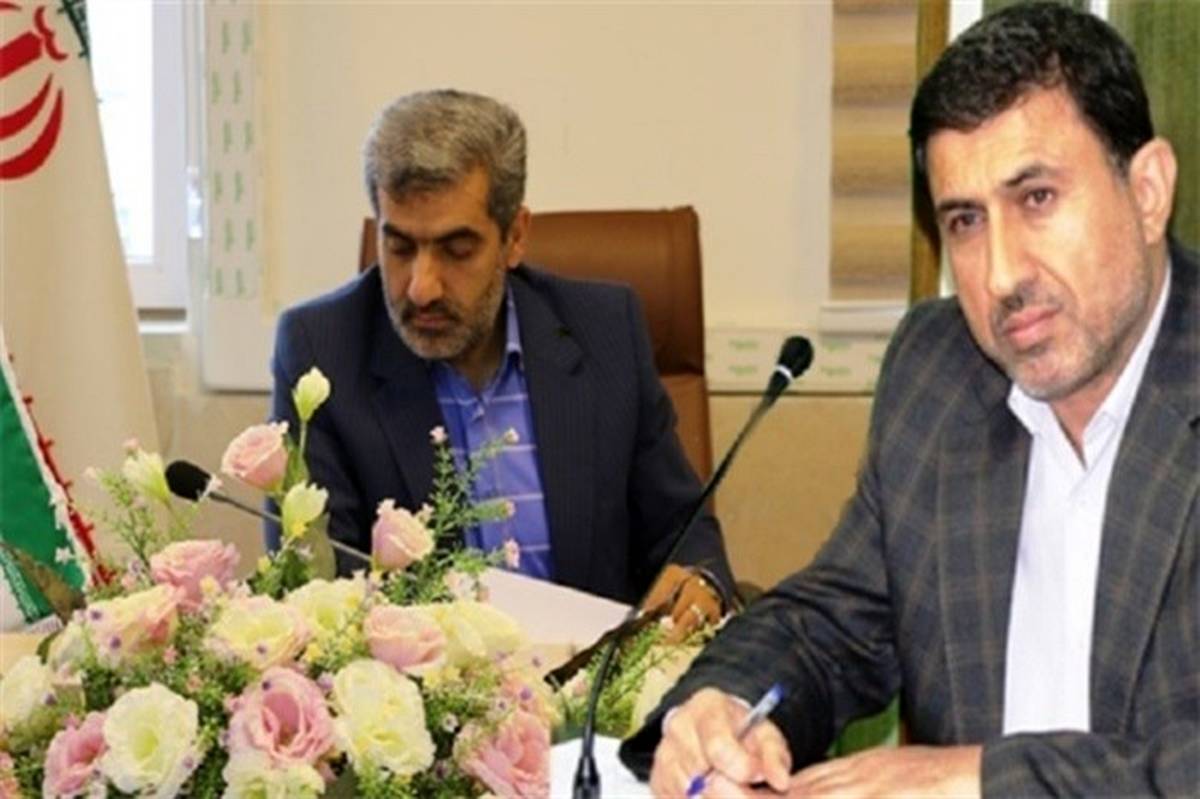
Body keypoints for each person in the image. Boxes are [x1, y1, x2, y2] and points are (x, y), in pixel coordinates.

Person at [629, 4, 1196, 796]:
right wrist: (726, 705)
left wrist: (981, 780)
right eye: (965, 220)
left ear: (1148, 191)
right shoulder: (939, 372)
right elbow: (831, 624)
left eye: (1037, 198)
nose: (1002, 274)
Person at [268, 89, 735, 613]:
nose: (421, 287)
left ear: (514, 237)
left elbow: (683, 531)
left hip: (594, 662)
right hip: (421, 666)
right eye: (399, 247)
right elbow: (315, 587)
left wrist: (700, 581)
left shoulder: (605, 332)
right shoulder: (322, 350)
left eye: (456, 250)